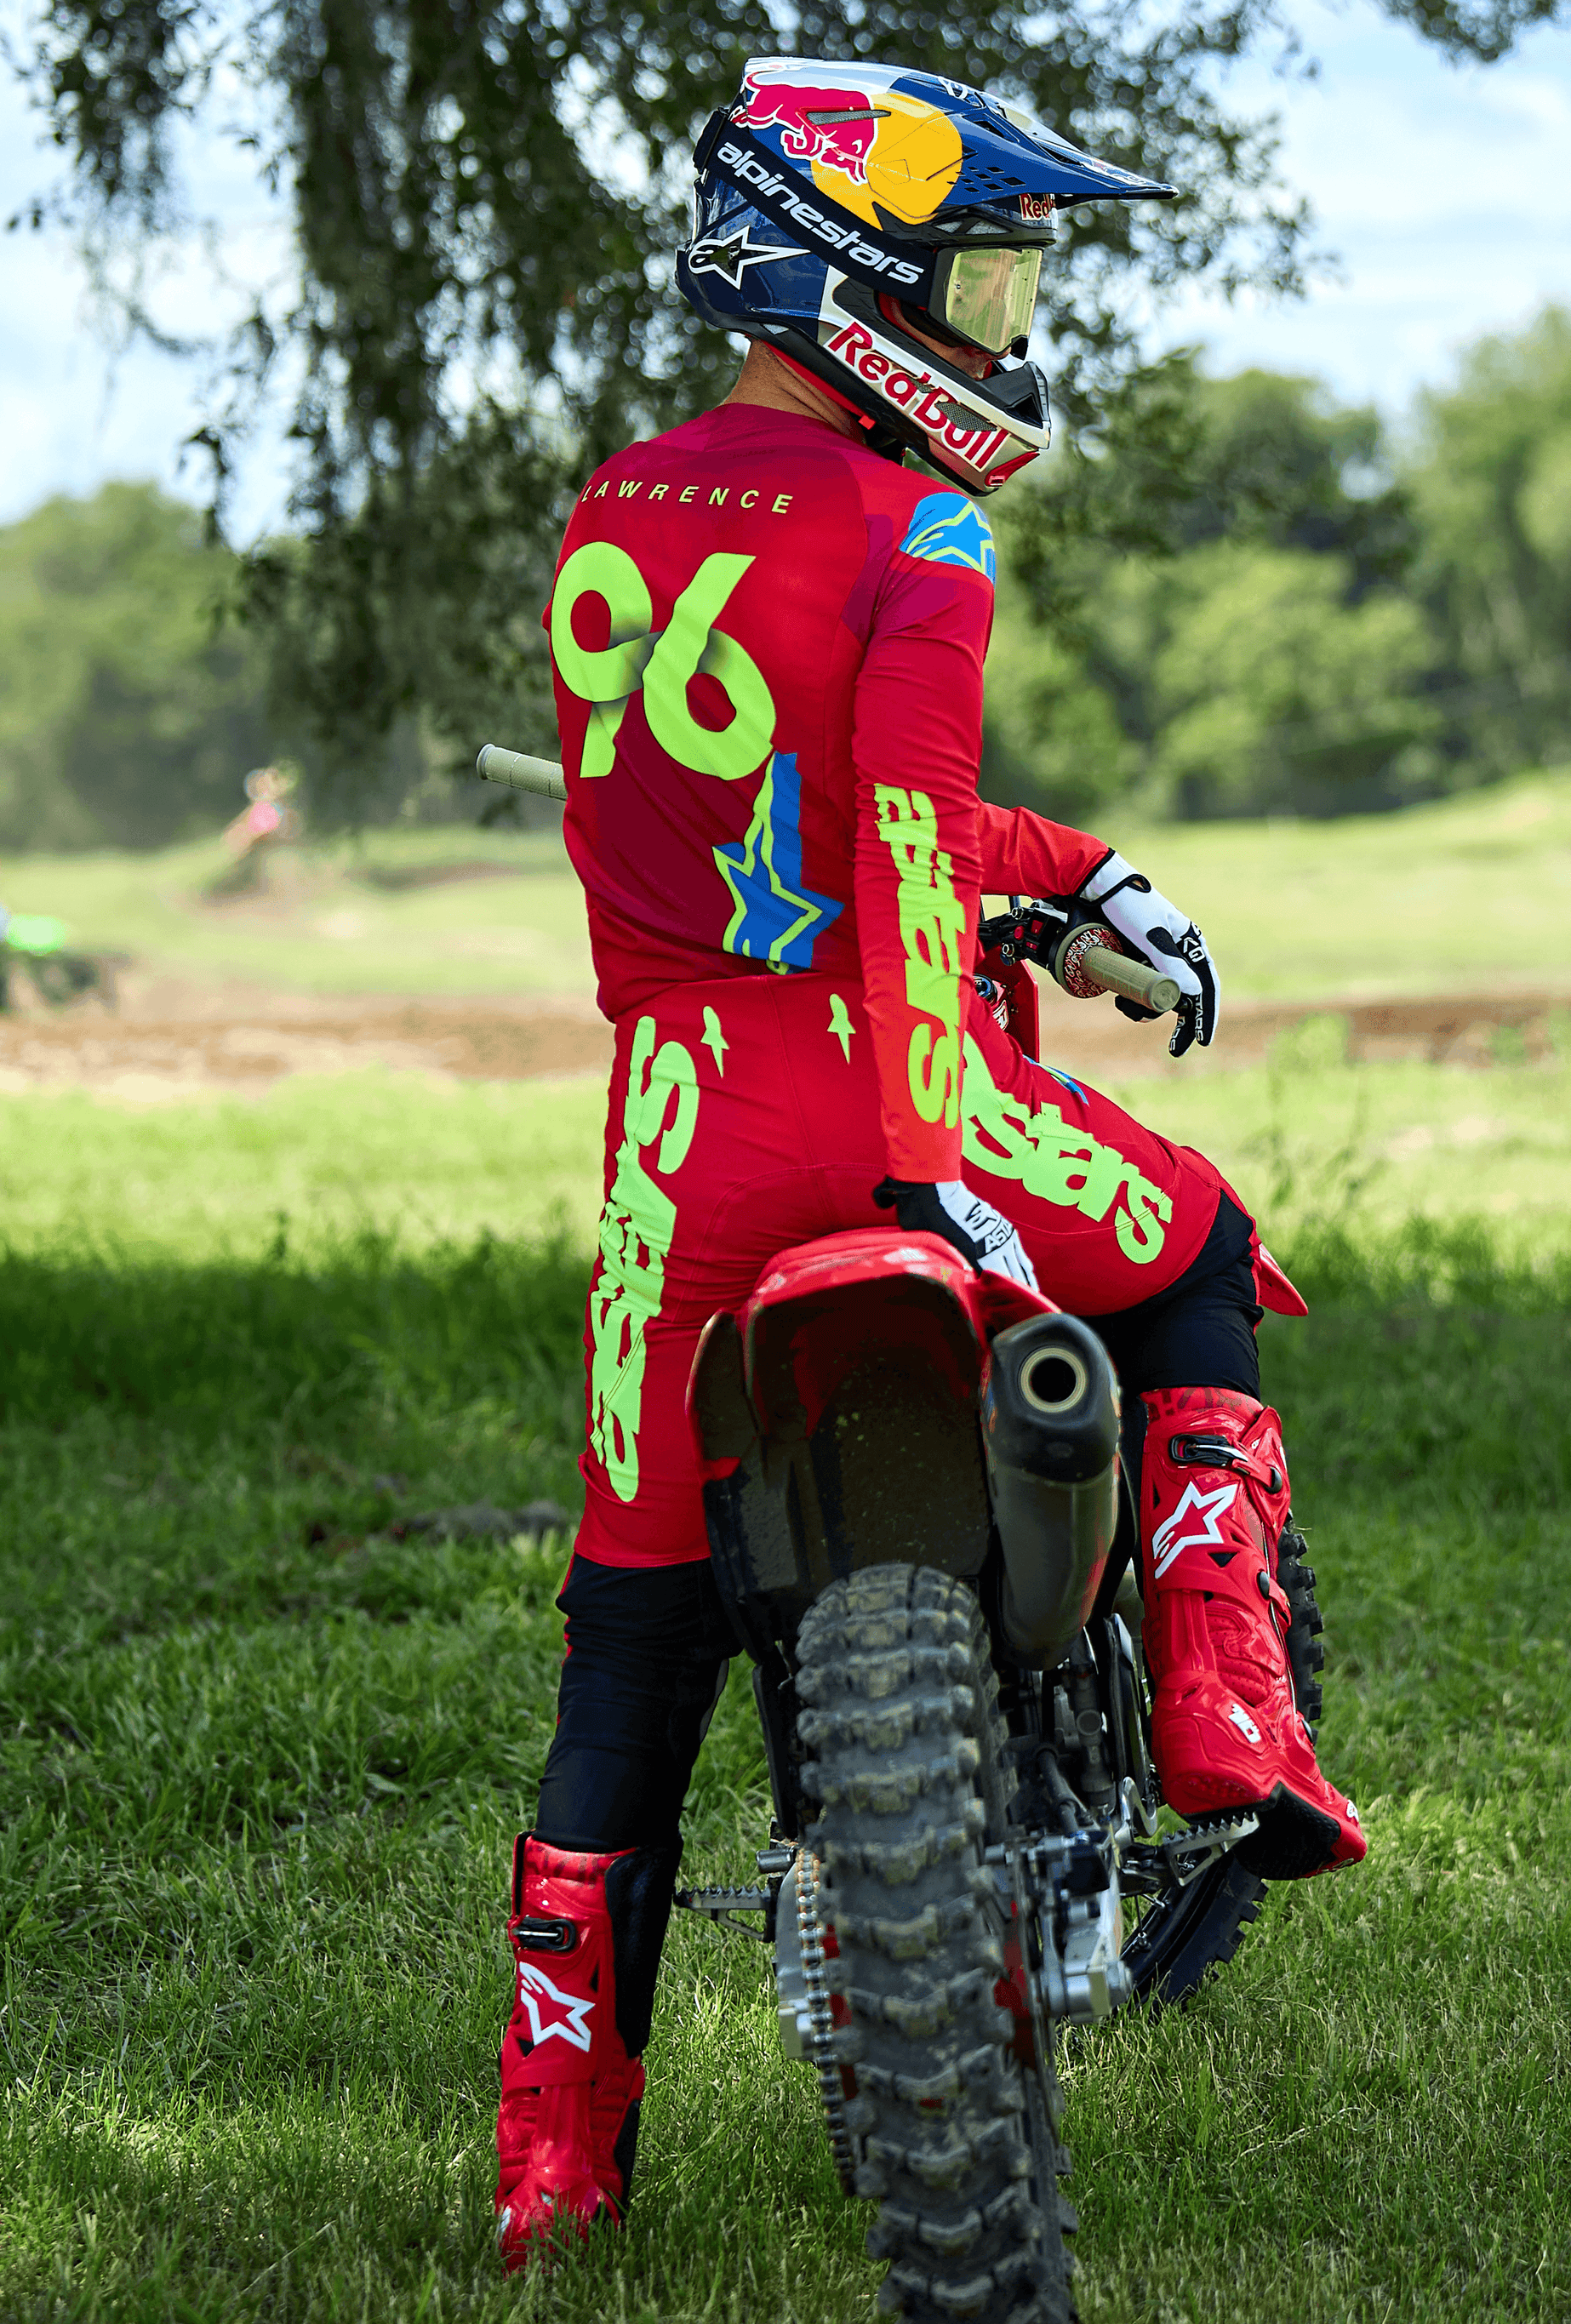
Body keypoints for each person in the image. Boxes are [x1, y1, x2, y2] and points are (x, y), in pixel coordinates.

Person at [494, 57, 1367, 2269]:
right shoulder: (920, 534)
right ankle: (1223, 1696)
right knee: (1199, 1239)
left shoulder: (615, 511)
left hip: (674, 1144)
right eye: (978, 279)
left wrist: (1061, 864)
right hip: (888, 1086)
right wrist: (940, 1153)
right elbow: (893, 853)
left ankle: (552, 2167)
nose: (1004, 327)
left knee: (630, 1652)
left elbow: (770, 824)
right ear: (849, 277)